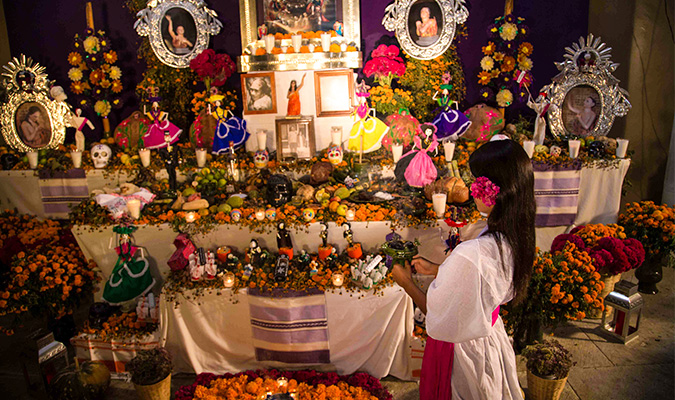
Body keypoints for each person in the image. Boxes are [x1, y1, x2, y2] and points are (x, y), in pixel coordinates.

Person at [391, 139, 535, 400]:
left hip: (462, 352)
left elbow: (440, 317)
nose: (469, 187)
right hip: (489, 337)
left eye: (476, 180)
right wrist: (440, 270)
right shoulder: (515, 233)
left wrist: (406, 283)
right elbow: (483, 280)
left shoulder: (472, 253)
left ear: (495, 191)